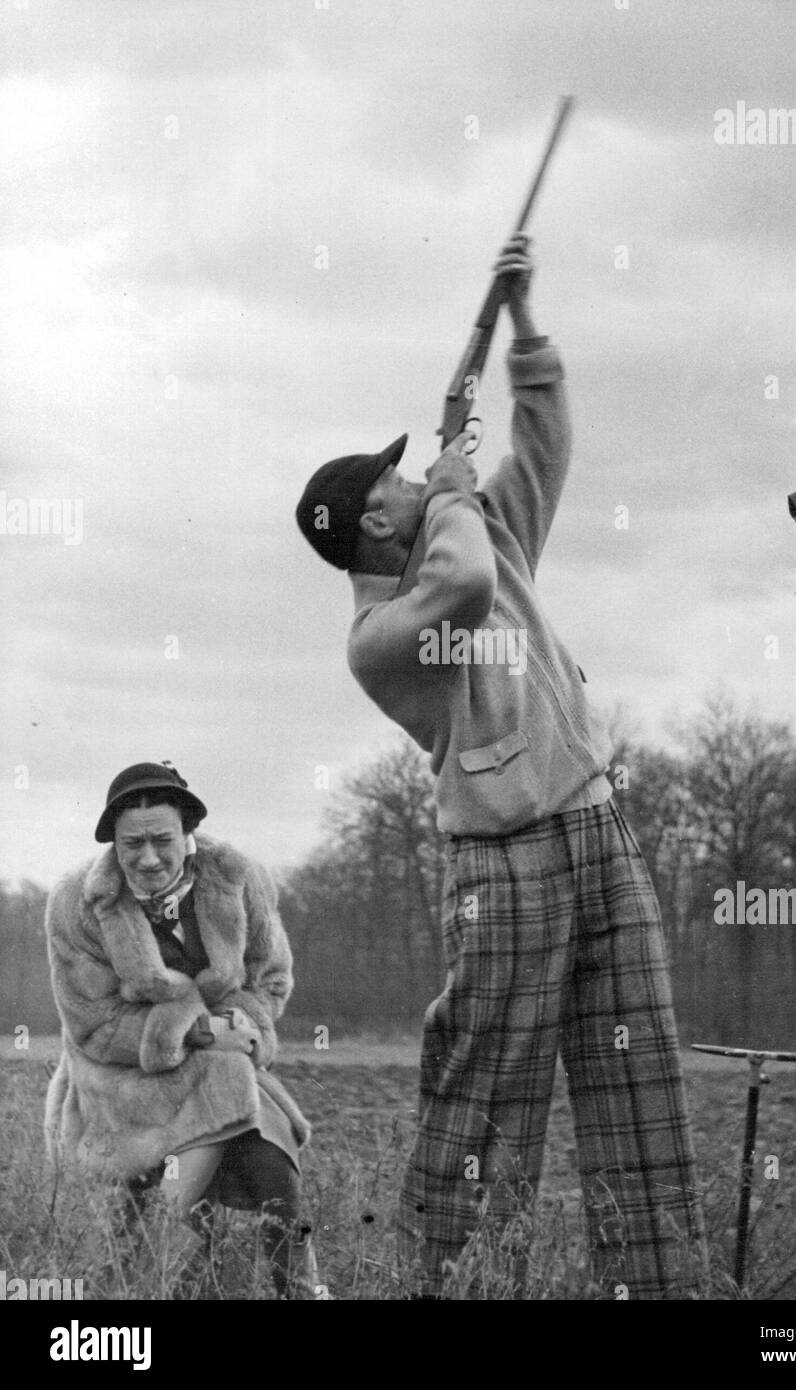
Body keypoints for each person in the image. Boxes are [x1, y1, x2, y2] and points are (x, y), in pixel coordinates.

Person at [295, 235, 704, 1298]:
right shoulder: (381, 634)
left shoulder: (468, 528)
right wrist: (453, 483)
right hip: (502, 866)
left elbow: (549, 448)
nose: (417, 475)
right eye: (400, 476)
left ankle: (656, 1291)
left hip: (595, 830)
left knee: (638, 1080)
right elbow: (466, 579)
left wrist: (523, 324)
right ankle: (453, 1284)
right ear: (379, 518)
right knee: (488, 1100)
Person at [44, 760, 324, 1299]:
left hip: (225, 1061)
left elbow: (271, 978)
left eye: (161, 840)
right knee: (172, 1211)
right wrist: (193, 1033)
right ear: (114, 845)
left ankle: (301, 1290)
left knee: (274, 1166)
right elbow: (92, 1025)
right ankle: (139, 1293)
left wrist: (244, 1022)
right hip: (121, 1078)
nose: (147, 859)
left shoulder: (236, 877)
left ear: (187, 833)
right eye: (132, 845)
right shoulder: (76, 901)